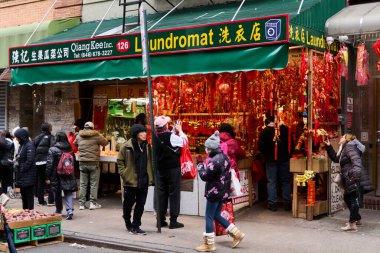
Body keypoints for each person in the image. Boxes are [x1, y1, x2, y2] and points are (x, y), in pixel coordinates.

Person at [195, 131, 245, 251]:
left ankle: (209, 244)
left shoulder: (214, 161)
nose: (205, 149)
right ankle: (237, 234)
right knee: (216, 215)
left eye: (206, 147)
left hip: (214, 192)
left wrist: (200, 165)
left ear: (210, 148)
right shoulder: (224, 157)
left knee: (209, 216)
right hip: (222, 191)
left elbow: (204, 176)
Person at [325, 134, 368, 232]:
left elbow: (356, 161)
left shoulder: (349, 147)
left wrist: (355, 175)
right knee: (348, 197)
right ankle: (357, 219)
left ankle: (352, 224)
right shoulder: (344, 148)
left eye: (342, 137)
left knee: (353, 199)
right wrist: (328, 146)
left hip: (353, 177)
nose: (340, 138)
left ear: (346, 139)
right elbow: (337, 159)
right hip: (350, 177)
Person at [117, 124, 153, 235]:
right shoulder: (126, 147)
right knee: (128, 204)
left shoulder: (148, 147)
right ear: (136, 134)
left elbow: (151, 161)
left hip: (144, 180)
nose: (144, 134)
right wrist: (124, 174)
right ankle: (127, 220)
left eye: (145, 132)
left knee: (141, 204)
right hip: (130, 180)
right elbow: (120, 161)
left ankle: (136, 225)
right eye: (141, 132)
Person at [154, 116, 187, 229]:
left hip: (160, 169)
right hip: (173, 169)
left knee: (162, 194)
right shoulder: (171, 137)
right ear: (166, 125)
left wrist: (174, 131)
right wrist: (180, 130)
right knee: (174, 194)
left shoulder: (156, 137)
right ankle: (173, 221)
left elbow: (168, 140)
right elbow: (184, 142)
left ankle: (160, 219)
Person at [258, 111, 293, 211]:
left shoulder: (265, 131)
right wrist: (288, 155)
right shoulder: (286, 129)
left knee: (271, 181)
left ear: (268, 118)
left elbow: (261, 146)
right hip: (284, 159)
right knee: (285, 180)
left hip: (270, 159)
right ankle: (287, 202)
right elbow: (291, 144)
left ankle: (272, 203)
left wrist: (266, 154)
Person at [74, 121, 108, 210]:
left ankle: (82, 204)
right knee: (93, 184)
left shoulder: (79, 135)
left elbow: (75, 143)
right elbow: (105, 143)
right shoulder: (97, 135)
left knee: (83, 184)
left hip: (82, 162)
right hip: (93, 162)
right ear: (92, 128)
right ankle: (93, 203)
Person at [46, 132, 78, 220]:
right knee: (68, 192)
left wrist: (47, 176)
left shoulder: (53, 149)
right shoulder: (70, 148)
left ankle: (58, 210)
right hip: (68, 173)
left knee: (57, 192)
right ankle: (70, 210)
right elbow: (74, 161)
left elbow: (49, 164)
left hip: (56, 174)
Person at [14, 128, 37, 210]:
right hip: (22, 175)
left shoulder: (29, 145)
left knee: (29, 196)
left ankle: (30, 213)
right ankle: (25, 212)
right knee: (24, 196)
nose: (16, 139)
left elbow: (30, 160)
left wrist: (22, 168)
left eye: (17, 137)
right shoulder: (22, 145)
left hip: (28, 175)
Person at [33, 122, 55, 206]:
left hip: (38, 162)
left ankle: (40, 201)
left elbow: (34, 149)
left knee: (40, 181)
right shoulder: (51, 137)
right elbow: (52, 150)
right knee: (50, 180)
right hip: (48, 162)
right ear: (49, 128)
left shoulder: (37, 138)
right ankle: (51, 200)